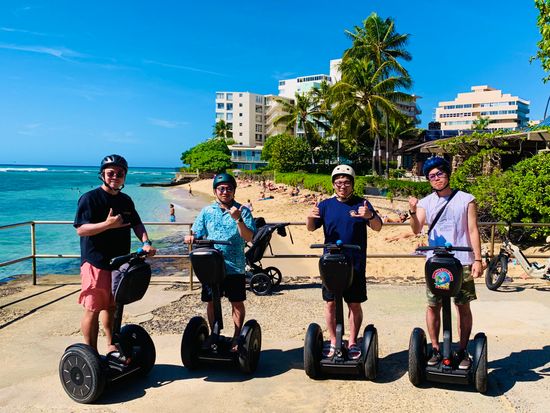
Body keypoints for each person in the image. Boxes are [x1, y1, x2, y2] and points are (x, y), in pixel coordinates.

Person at [74, 154, 156, 354]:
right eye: (111, 173)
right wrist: (107, 224)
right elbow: (81, 229)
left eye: (120, 174)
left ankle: (111, 344)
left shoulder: (125, 200)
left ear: (124, 177)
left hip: (119, 261)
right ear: (102, 175)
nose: (115, 177)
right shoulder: (90, 198)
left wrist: (146, 242)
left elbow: (137, 223)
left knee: (112, 306)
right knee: (93, 308)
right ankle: (91, 354)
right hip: (95, 261)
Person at [408, 157, 483, 370]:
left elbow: (473, 230)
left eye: (439, 174)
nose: (436, 178)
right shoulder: (426, 202)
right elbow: (416, 229)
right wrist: (412, 211)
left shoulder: (466, 199)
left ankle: (462, 349)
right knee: (433, 305)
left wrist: (478, 259)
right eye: (431, 176)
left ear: (447, 174)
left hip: (462, 261)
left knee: (463, 305)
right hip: (436, 263)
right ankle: (435, 349)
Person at [306, 165, 382, 359]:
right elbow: (311, 228)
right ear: (333, 184)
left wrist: (370, 216)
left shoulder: (362, 204)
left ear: (352, 184)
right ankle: (333, 340)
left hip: (355, 262)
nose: (342, 186)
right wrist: (309, 217)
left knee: (354, 304)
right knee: (330, 303)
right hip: (331, 263)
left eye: (347, 182)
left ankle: (353, 341)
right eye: (338, 182)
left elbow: (378, 227)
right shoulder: (325, 205)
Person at [184, 173, 256, 351]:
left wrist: (238, 219)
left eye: (229, 188)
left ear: (234, 190)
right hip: (211, 265)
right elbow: (197, 232)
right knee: (211, 301)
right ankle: (214, 334)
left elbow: (249, 237)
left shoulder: (243, 211)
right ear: (215, 191)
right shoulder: (207, 211)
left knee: (236, 301)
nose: (225, 192)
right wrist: (191, 237)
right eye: (221, 189)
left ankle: (237, 336)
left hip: (235, 265)